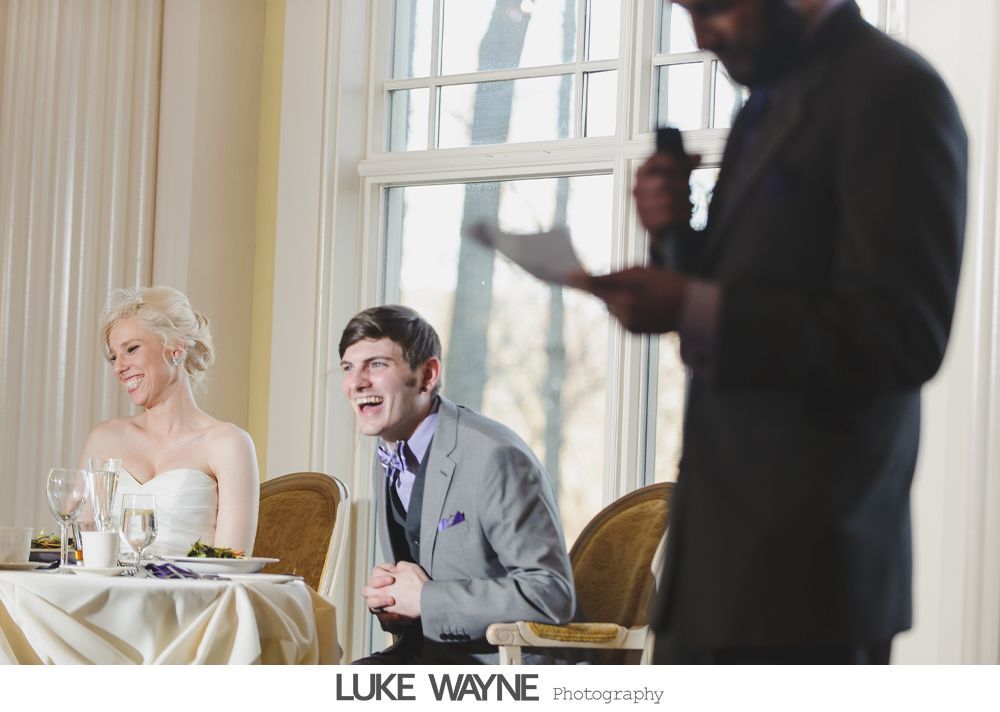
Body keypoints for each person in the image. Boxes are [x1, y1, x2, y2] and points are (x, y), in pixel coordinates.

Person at [576, 0, 967, 663]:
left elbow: (901, 333)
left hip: (807, 587)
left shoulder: (897, 94)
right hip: (715, 574)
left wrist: (691, 306)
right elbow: (752, 291)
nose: (701, 36)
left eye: (714, 8)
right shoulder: (767, 103)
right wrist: (674, 236)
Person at [339, 305, 575, 664]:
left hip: (502, 669)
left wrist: (426, 599)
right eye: (348, 367)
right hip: (430, 655)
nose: (356, 382)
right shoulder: (389, 450)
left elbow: (550, 595)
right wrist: (396, 600)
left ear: (427, 374)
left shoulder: (495, 456)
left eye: (377, 364)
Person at [80, 286, 259, 556]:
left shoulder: (228, 444)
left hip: (194, 597)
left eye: (131, 349)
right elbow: (80, 550)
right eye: (115, 357)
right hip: (105, 595)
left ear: (175, 348)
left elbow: (231, 566)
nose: (118, 367)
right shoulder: (104, 439)